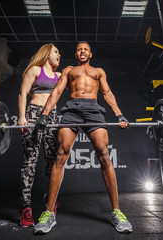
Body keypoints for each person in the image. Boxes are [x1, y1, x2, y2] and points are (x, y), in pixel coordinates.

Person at [33, 41, 133, 234]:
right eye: (79, 49)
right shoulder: (68, 71)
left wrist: (119, 114)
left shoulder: (99, 72)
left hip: (94, 110)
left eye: (85, 49)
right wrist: (45, 115)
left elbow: (107, 93)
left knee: (104, 155)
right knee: (60, 155)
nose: (82, 51)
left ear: (90, 54)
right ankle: (49, 213)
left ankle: (117, 211)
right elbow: (57, 92)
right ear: (76, 53)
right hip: (72, 110)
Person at [18, 43, 61, 227]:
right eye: (56, 51)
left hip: (52, 116)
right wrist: (21, 117)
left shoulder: (60, 76)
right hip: (34, 114)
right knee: (30, 162)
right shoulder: (35, 70)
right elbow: (23, 93)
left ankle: (50, 201)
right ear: (46, 53)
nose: (59, 54)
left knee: (52, 162)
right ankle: (25, 208)